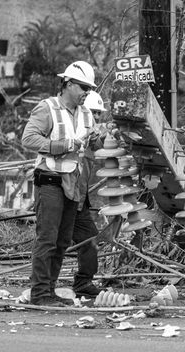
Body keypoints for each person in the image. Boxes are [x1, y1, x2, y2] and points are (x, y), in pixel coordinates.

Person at [22, 60, 98, 306]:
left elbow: (91, 147)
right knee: (47, 238)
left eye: (89, 88)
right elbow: (29, 139)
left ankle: (49, 290)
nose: (87, 92)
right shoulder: (48, 108)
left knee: (62, 240)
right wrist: (61, 146)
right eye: (83, 87)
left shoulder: (86, 114)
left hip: (72, 184)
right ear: (68, 84)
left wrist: (99, 139)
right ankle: (39, 293)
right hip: (50, 182)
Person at [71, 90, 108, 298]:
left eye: (98, 113)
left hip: (80, 199)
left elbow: (101, 149)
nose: (96, 117)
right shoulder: (74, 134)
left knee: (90, 238)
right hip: (66, 196)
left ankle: (83, 282)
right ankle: (42, 285)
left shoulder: (91, 138)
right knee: (53, 242)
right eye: (93, 112)